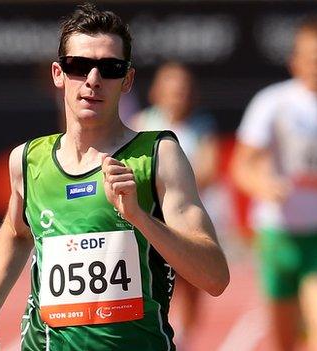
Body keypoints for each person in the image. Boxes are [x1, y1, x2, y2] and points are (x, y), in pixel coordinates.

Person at [0, 4, 229, 351]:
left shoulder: (158, 156)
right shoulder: (27, 161)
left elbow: (215, 278)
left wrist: (140, 218)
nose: (93, 79)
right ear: (58, 74)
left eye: (110, 68)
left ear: (128, 80)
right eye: (79, 66)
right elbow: (16, 233)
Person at [231, 17, 317, 351]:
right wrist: (264, 185)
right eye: (312, 57)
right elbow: (242, 165)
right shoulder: (272, 103)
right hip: (280, 236)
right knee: (286, 341)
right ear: (296, 61)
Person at [130, 62, 221, 348]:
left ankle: (187, 339)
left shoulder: (201, 125)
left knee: (192, 281)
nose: (178, 96)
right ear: (157, 92)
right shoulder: (141, 124)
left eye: (183, 90)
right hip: (149, 220)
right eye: (172, 90)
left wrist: (178, 190)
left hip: (185, 219)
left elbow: (209, 167)